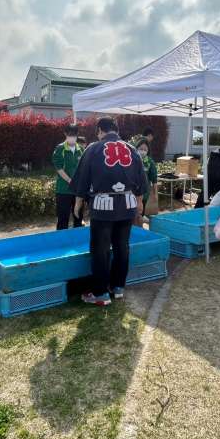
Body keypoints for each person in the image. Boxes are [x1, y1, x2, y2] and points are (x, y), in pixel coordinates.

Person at [71, 116, 147, 306]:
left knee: (100, 249)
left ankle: (100, 293)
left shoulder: (93, 148)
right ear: (116, 130)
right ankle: (118, 287)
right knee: (122, 246)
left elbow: (82, 178)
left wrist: (78, 202)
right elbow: (141, 179)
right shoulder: (131, 149)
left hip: (103, 205)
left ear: (100, 131)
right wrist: (139, 202)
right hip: (127, 204)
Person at [52, 124, 84, 230]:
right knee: (63, 219)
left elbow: (83, 168)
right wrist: (69, 180)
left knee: (78, 218)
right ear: (65, 134)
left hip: (77, 191)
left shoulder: (81, 149)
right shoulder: (60, 148)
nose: (72, 137)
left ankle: (78, 238)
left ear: (77, 134)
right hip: (63, 190)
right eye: (70, 134)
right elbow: (59, 168)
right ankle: (61, 239)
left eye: (74, 134)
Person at [135, 138, 158, 221]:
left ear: (148, 151)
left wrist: (155, 193)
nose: (143, 151)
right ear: (136, 149)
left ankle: (141, 217)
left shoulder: (149, 162)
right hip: (133, 190)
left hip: (144, 191)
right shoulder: (131, 160)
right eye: (141, 149)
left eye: (145, 150)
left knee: (141, 207)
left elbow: (154, 178)